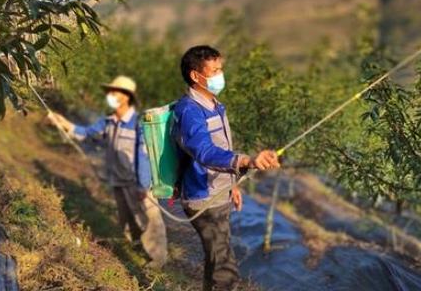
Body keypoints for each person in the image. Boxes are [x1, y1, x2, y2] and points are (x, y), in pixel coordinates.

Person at [174, 45, 280, 291]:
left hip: (219, 193)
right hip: (204, 199)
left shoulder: (215, 105)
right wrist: (247, 161)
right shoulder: (190, 110)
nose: (220, 75)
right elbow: (205, 152)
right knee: (225, 271)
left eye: (221, 69)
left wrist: (233, 184)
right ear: (195, 75)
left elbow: (222, 147)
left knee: (217, 261)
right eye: (215, 71)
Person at [47, 75, 168, 269]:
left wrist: (143, 185)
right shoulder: (108, 122)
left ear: (127, 97)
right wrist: (63, 122)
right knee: (126, 218)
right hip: (118, 180)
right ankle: (137, 244)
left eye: (115, 92)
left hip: (138, 183)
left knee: (151, 220)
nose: (111, 95)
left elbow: (142, 156)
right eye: (110, 92)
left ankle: (158, 259)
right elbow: (86, 133)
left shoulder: (137, 124)